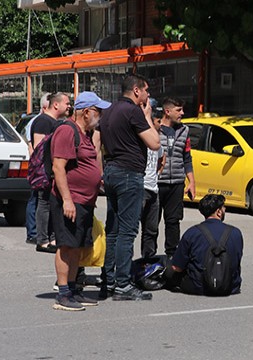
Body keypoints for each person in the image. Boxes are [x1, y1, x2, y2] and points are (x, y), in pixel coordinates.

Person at [99, 74, 161, 301]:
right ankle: (123, 285)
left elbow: (100, 143)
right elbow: (154, 143)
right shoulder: (133, 112)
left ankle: (109, 281)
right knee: (127, 232)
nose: (147, 95)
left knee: (113, 231)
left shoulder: (109, 111)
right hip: (129, 174)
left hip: (112, 171)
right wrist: (146, 115)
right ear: (136, 90)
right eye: (145, 91)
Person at [50, 91, 111, 311]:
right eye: (98, 111)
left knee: (76, 247)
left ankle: (73, 290)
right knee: (66, 246)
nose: (100, 116)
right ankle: (63, 293)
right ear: (86, 112)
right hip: (70, 200)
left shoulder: (84, 133)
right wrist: (67, 200)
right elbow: (58, 167)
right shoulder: (67, 131)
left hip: (83, 201)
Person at [165, 194, 243, 295]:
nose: (225, 209)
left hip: (198, 286)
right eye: (223, 207)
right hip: (230, 286)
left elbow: (177, 267)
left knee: (170, 267)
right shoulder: (235, 233)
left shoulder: (192, 233)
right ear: (218, 212)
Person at [31, 92, 71, 253]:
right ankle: (42, 240)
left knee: (52, 204)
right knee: (44, 204)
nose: (69, 106)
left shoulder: (55, 122)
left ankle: (53, 238)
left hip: (52, 170)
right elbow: (39, 149)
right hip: (46, 172)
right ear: (56, 105)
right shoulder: (42, 121)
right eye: (66, 103)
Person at [156, 97, 195, 258]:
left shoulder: (184, 130)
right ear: (167, 111)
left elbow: (187, 157)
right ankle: (148, 256)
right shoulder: (153, 129)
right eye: (178, 110)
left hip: (177, 183)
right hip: (157, 184)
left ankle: (172, 257)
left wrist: (191, 181)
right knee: (151, 224)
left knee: (173, 222)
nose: (182, 113)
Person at [141, 98, 166, 259]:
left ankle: (148, 260)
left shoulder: (157, 139)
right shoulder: (141, 135)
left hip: (153, 188)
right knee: (129, 230)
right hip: (140, 187)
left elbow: (162, 158)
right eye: (158, 121)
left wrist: (157, 174)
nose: (161, 124)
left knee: (151, 229)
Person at [25, 92, 51, 245]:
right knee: (35, 199)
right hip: (37, 167)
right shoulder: (38, 122)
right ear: (44, 107)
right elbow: (34, 146)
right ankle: (33, 232)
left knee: (40, 200)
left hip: (39, 166)